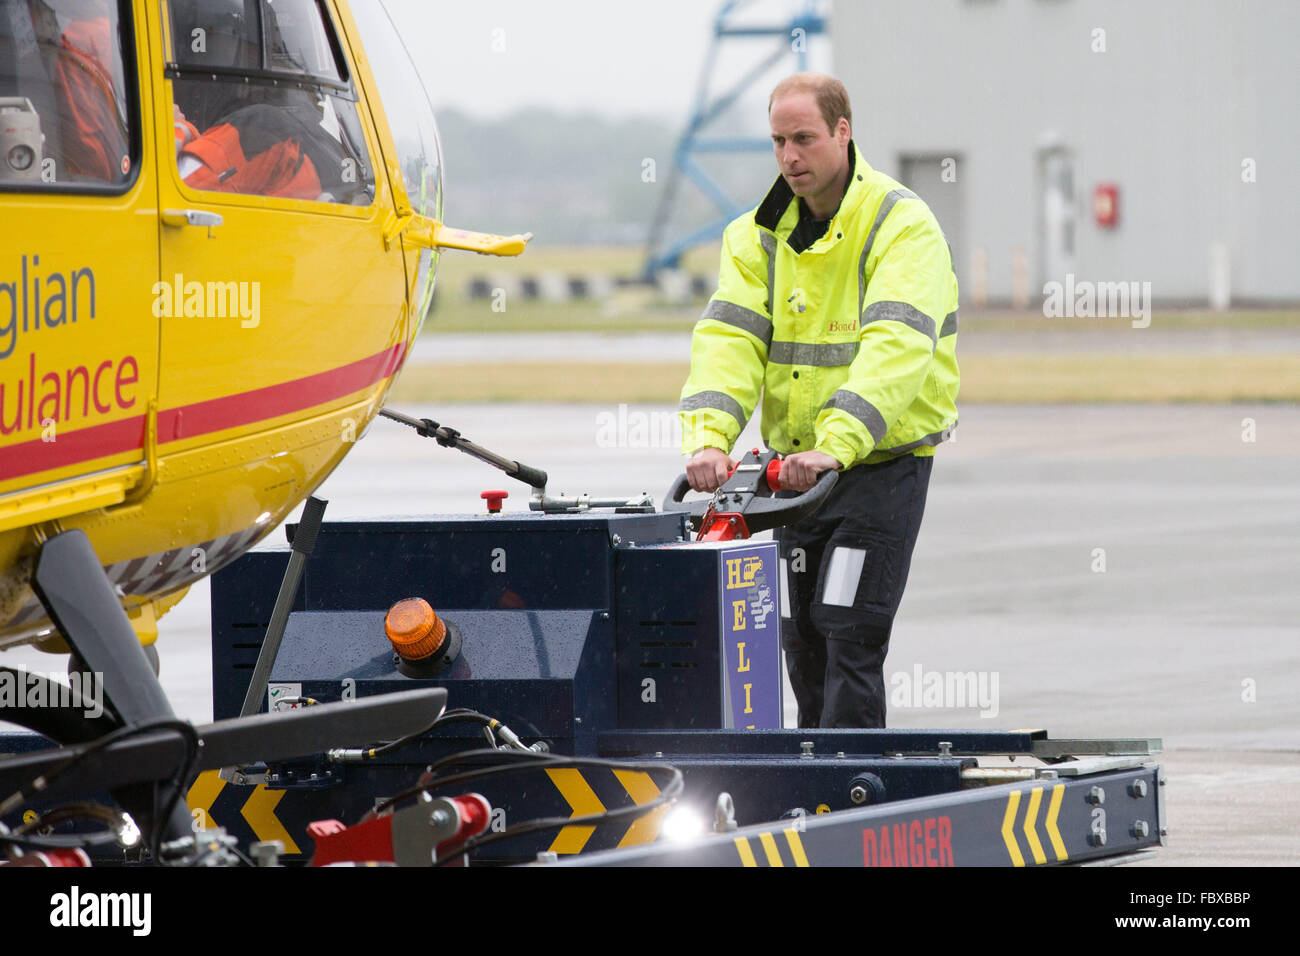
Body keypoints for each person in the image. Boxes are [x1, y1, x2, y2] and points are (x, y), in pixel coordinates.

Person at [679, 72, 959, 729]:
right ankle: (811, 785)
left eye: (803, 139)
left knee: (849, 631)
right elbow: (730, 341)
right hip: (794, 478)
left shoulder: (900, 225)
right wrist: (708, 437)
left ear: (843, 131)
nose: (789, 157)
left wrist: (836, 442)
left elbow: (896, 347)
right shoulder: (753, 236)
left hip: (879, 469)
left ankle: (851, 790)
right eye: (777, 141)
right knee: (800, 639)